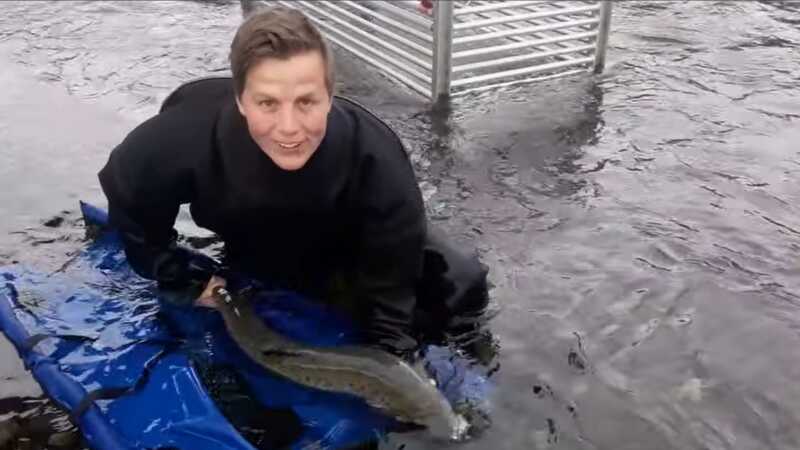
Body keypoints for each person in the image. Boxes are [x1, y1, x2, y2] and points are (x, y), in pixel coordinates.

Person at [97, 6, 494, 362]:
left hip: (344, 242)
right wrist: (180, 275)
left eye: (306, 102)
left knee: (461, 281)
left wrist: (391, 358)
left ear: (331, 97)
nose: (289, 128)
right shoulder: (182, 138)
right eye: (267, 103)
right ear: (240, 101)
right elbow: (128, 196)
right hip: (251, 236)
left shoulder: (375, 160)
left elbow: (392, 287)